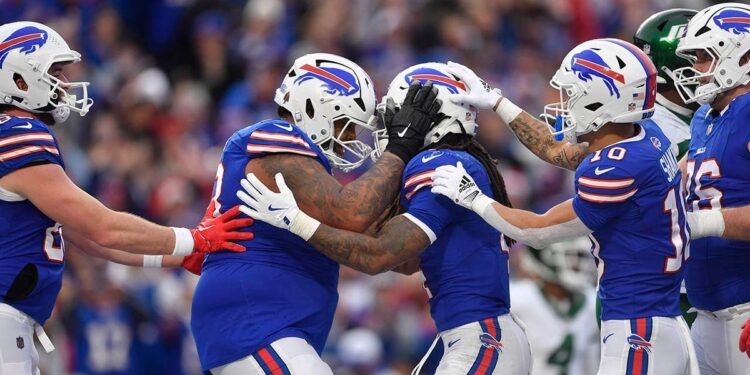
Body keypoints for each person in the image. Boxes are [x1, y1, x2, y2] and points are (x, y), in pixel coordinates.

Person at [238, 62, 533, 375]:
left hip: (481, 336)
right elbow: (406, 262)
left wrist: (297, 222)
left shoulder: (440, 162)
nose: (392, 129)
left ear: (434, 118)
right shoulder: (458, 161)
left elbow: (377, 255)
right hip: (469, 334)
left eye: (400, 117)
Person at [431, 39, 698, 374]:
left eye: (573, 93)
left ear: (601, 98)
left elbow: (537, 231)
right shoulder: (644, 136)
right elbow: (553, 149)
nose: (566, 102)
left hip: (639, 328)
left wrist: (474, 199)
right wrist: (498, 102)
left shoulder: (617, 167)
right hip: (657, 323)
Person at [0, 21, 252, 374]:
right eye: (54, 71)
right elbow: (103, 227)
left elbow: (92, 240)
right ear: (19, 80)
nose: (66, 83)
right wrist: (194, 237)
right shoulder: (19, 137)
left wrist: (179, 255)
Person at [190, 53, 442, 375]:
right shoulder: (271, 139)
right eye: (346, 126)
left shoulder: (310, 180)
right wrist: (401, 148)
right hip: (255, 321)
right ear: (314, 107)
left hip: (269, 324)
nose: (350, 138)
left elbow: (391, 254)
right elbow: (350, 214)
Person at [670, 3, 750, 373]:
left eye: (705, 56)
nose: (696, 68)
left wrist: (700, 224)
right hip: (706, 313)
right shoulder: (706, 117)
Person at [510, 237, 599, 375]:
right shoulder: (520, 299)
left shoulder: (591, 301)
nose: (577, 265)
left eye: (581, 257)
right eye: (570, 257)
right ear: (546, 258)